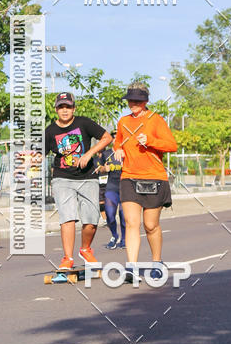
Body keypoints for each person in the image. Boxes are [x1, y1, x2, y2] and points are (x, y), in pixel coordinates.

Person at [113, 84, 177, 281]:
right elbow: (118, 141)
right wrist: (118, 149)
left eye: (138, 101)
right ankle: (131, 267)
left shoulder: (155, 119)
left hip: (153, 177)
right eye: (131, 101)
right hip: (129, 176)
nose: (134, 104)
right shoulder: (123, 121)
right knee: (131, 222)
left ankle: (156, 262)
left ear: (146, 102)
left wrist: (150, 140)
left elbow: (172, 145)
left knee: (150, 225)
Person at [45, 92, 112, 270]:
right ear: (56, 109)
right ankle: (67, 258)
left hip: (87, 177)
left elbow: (107, 137)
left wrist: (89, 154)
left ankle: (85, 249)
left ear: (74, 108)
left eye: (68, 106)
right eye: (61, 107)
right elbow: (39, 153)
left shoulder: (84, 123)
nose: (65, 110)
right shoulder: (50, 131)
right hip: (62, 178)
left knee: (91, 219)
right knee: (67, 217)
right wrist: (30, 160)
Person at [99, 146, 126, 249]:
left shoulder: (127, 151)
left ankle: (124, 238)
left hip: (125, 187)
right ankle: (114, 235)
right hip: (112, 187)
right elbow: (100, 168)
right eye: (113, 137)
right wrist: (104, 169)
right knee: (109, 214)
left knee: (123, 215)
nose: (115, 139)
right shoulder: (107, 153)